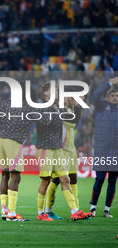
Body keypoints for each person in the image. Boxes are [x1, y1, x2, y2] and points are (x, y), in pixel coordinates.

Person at [36, 82, 89, 221]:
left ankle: (75, 211)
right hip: (46, 147)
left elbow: (72, 123)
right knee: (46, 181)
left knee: (66, 178)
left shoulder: (60, 108)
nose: (56, 92)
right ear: (46, 94)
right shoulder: (42, 107)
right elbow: (46, 123)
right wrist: (55, 109)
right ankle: (42, 212)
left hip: (58, 148)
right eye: (53, 91)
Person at [0, 83, 49, 222]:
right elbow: (45, 121)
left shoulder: (5, 103)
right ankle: (12, 214)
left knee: (4, 174)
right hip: (14, 142)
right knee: (16, 177)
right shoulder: (29, 107)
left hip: (0, 140)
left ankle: (4, 210)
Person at [45, 90, 82, 219]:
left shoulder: (69, 111)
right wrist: (77, 107)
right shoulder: (61, 111)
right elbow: (71, 123)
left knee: (73, 178)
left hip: (71, 150)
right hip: (61, 150)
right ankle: (47, 210)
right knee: (55, 180)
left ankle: (77, 209)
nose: (73, 100)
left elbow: (73, 126)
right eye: (70, 97)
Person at [90, 77, 118, 217]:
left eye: (117, 96)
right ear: (107, 97)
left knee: (112, 181)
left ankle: (107, 210)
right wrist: (110, 83)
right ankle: (93, 207)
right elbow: (95, 95)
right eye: (112, 95)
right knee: (100, 179)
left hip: (116, 152)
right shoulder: (101, 106)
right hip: (102, 150)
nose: (115, 97)